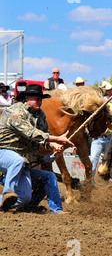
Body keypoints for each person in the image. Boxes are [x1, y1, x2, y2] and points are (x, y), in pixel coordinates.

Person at [0, 84, 74, 213]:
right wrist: (57, 139)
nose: (39, 102)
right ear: (27, 98)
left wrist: (53, 145)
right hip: (4, 153)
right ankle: (8, 193)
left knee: (48, 177)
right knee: (17, 161)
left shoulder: (40, 115)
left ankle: (54, 209)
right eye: (36, 99)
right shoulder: (14, 112)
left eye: (40, 99)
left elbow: (43, 137)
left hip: (22, 162)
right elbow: (31, 133)